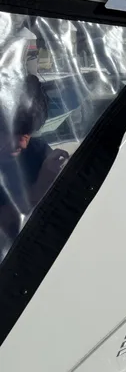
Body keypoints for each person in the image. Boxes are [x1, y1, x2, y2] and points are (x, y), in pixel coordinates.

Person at [0, 74, 69, 252]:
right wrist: (38, 190)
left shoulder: (37, 151)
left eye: (28, 133)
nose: (23, 144)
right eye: (14, 132)